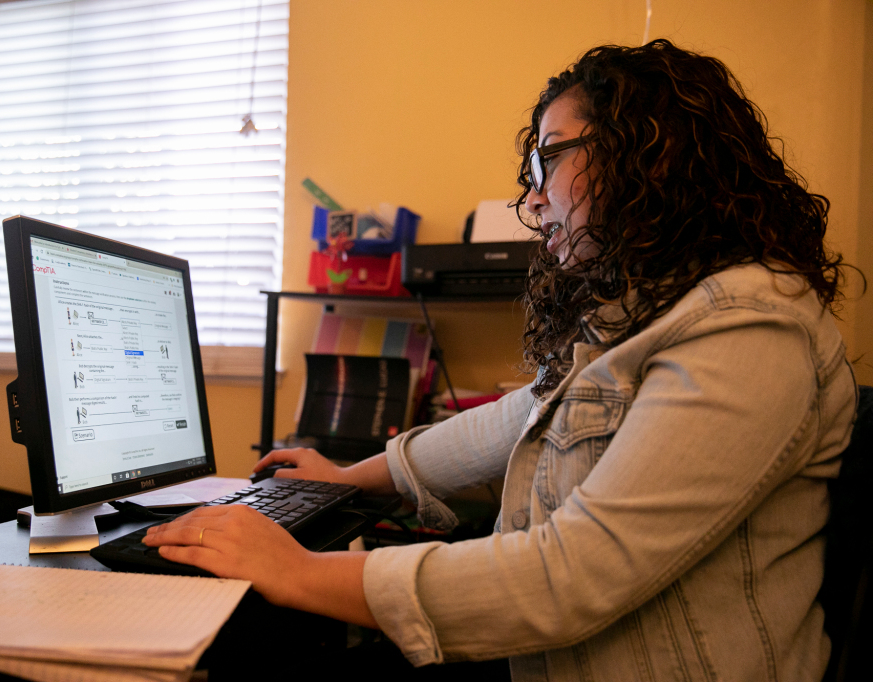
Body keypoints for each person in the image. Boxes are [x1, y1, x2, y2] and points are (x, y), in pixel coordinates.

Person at [143, 40, 860, 681]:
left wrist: (297, 571)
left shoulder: (747, 328)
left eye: (548, 157)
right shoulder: (649, 316)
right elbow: (519, 414)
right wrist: (356, 478)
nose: (532, 194)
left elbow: (573, 577)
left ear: (651, 154)